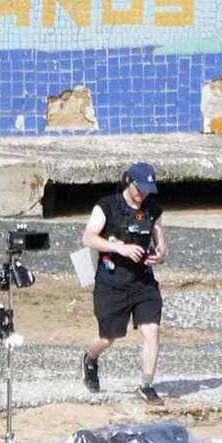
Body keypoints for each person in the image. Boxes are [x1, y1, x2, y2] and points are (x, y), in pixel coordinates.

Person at [80, 162, 170, 403]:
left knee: (151, 330)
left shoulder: (153, 210)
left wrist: (159, 255)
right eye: (139, 188)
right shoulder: (107, 205)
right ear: (129, 182)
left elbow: (161, 244)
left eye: (147, 189)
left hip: (143, 281)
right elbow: (88, 238)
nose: (143, 194)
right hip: (112, 281)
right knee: (109, 336)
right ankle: (90, 358)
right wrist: (120, 248)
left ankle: (146, 385)